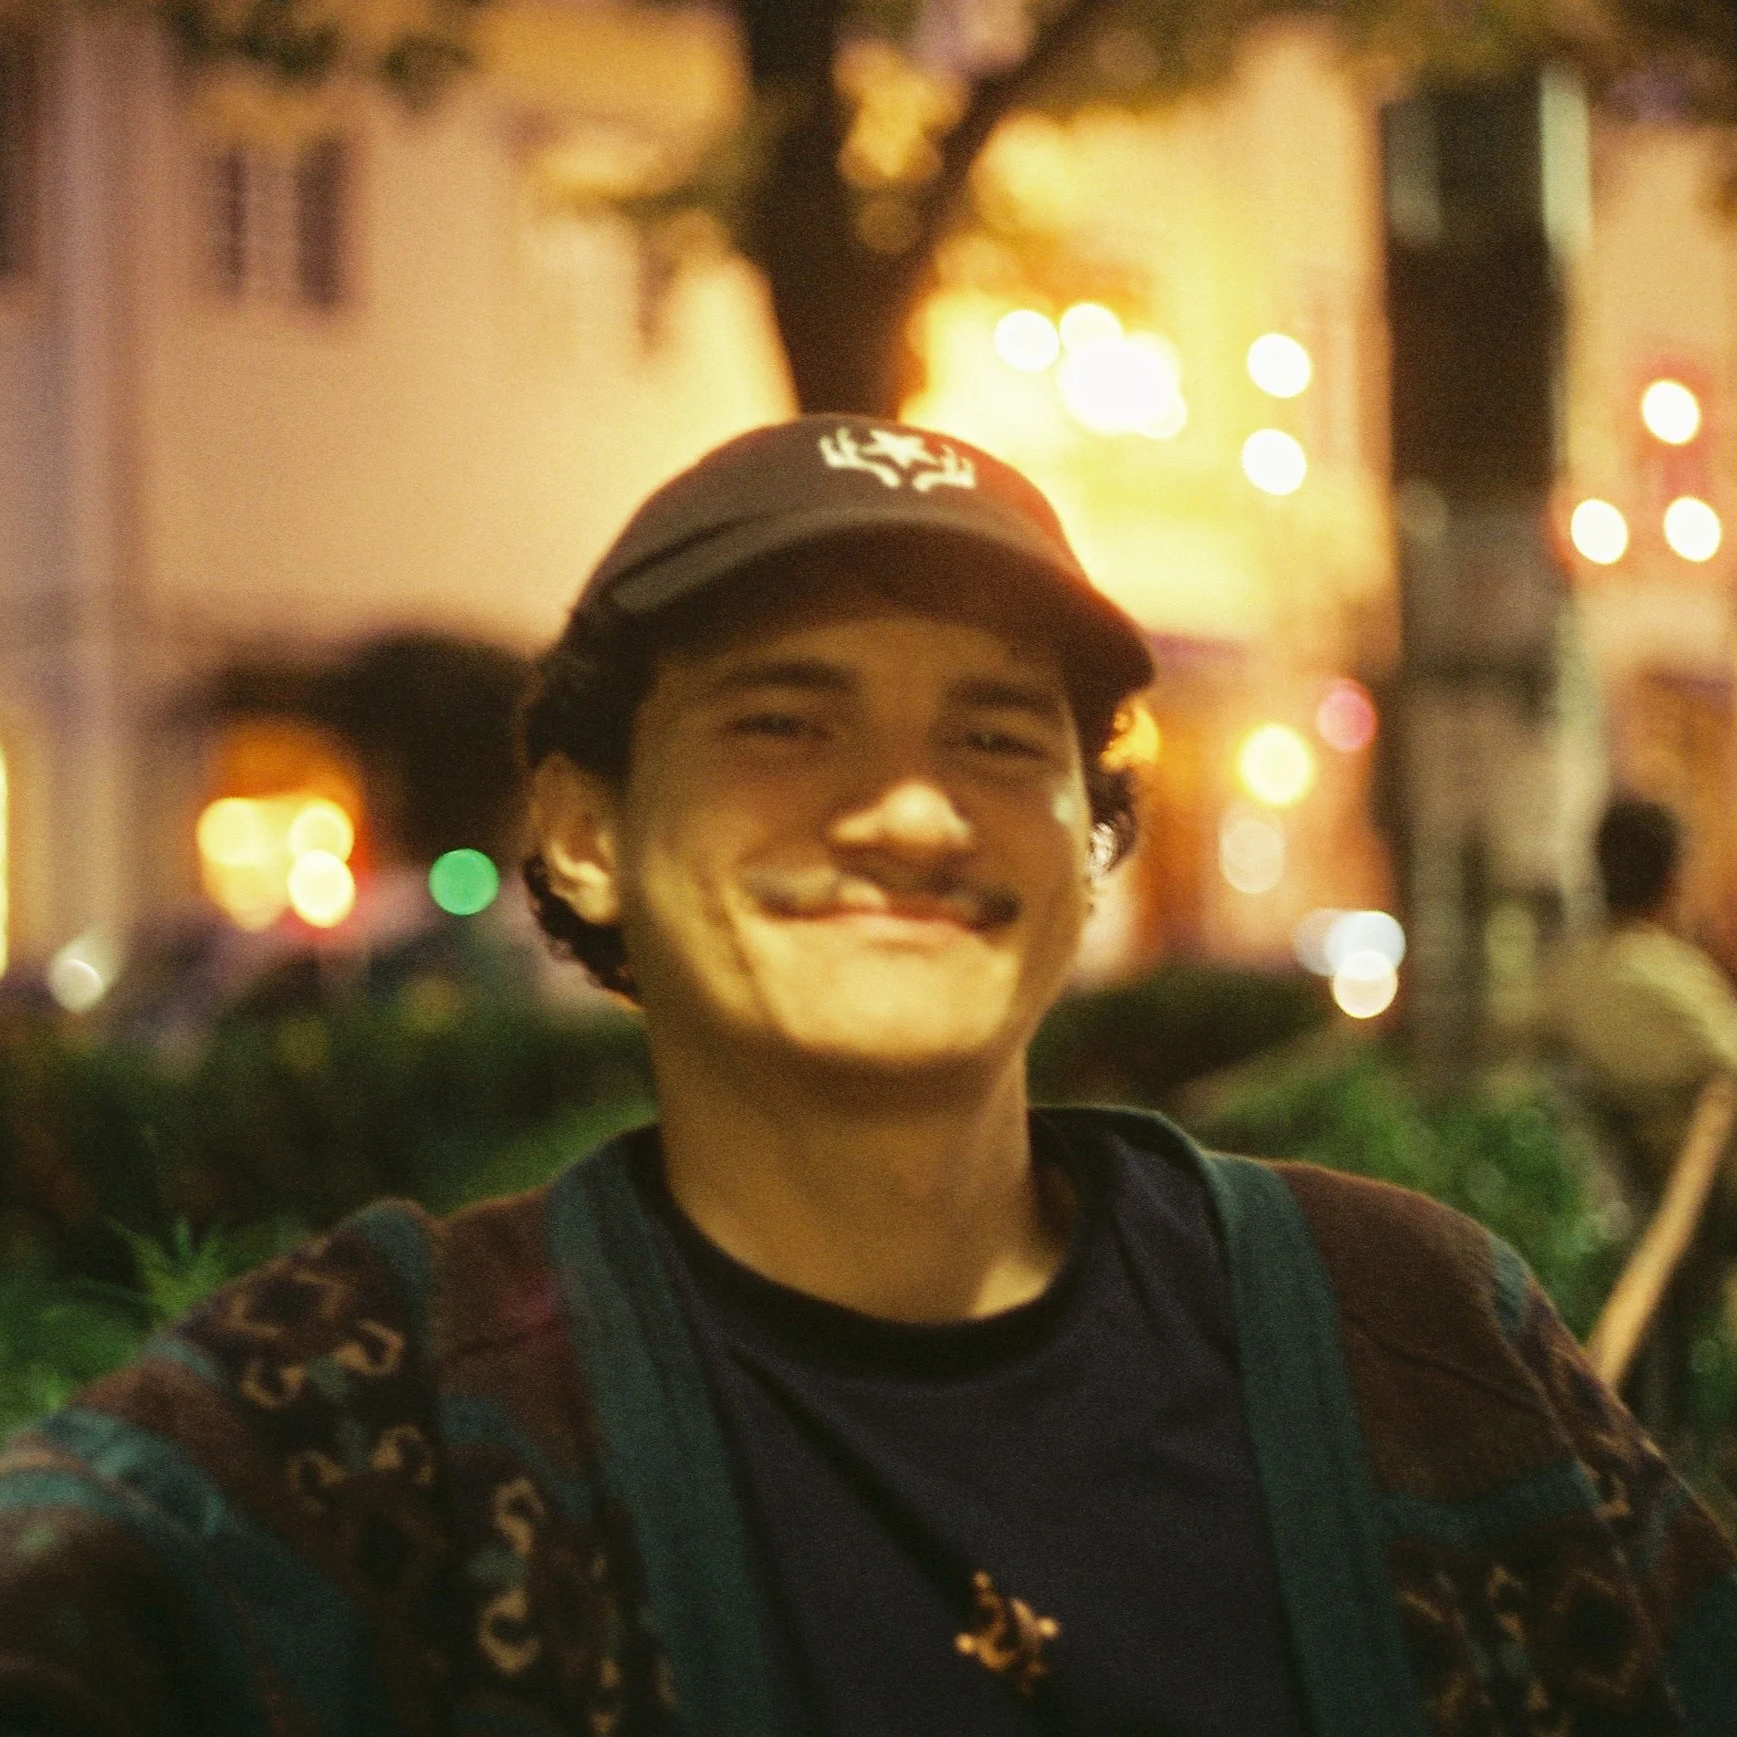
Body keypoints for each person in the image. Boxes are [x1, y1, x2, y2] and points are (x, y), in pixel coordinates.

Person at [1, 417, 1733, 1736]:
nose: (911, 810)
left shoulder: (1410, 1340)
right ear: (587, 833)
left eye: (997, 734)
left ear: (1087, 836)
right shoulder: (384, 1427)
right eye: (782, 720)